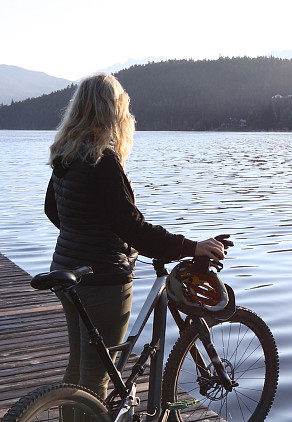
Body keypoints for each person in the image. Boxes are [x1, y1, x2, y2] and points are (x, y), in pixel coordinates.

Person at [43, 73, 224, 406]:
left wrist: (86, 233)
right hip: (103, 280)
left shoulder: (65, 157)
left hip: (67, 271)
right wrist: (192, 246)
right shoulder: (103, 161)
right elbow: (134, 229)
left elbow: (53, 211)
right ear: (114, 110)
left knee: (77, 368)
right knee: (96, 376)